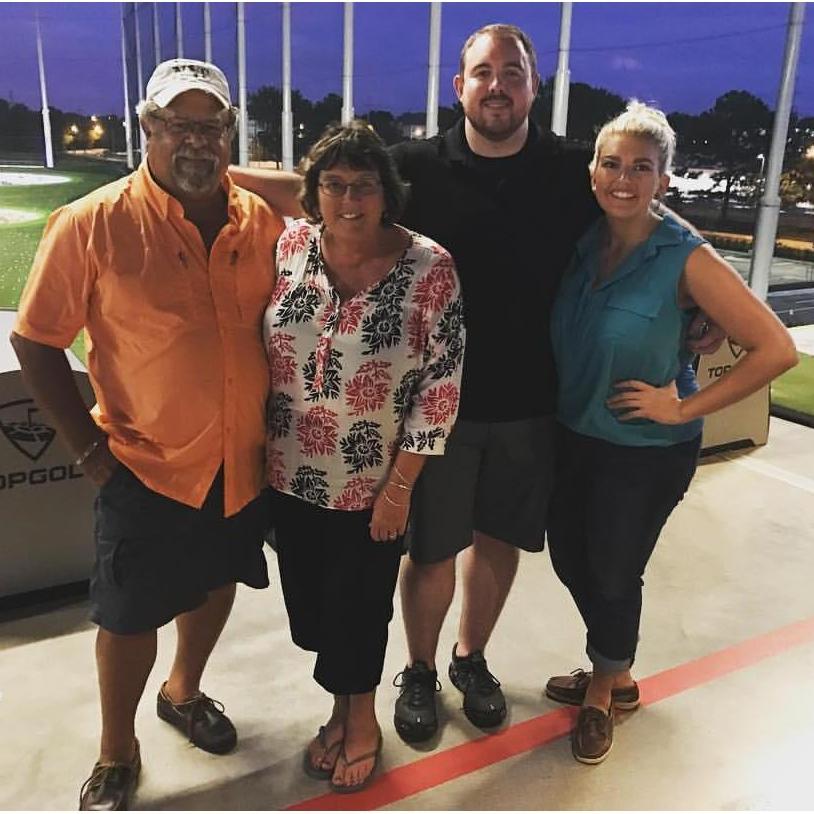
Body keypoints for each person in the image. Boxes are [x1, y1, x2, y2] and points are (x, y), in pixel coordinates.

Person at [230, 23, 723, 745]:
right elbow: (316, 189)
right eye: (483, 71)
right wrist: (221, 175)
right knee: (430, 552)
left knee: (497, 543)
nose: (498, 84)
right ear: (458, 86)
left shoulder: (567, 170)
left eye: (513, 71)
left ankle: (472, 659)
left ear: (533, 85)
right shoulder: (416, 165)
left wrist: (711, 296)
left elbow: (645, 206)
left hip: (531, 404)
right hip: (432, 414)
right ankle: (421, 671)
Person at [10, 58, 285, 810]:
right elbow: (36, 341)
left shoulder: (258, 220)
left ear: (229, 132)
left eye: (209, 126)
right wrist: (90, 454)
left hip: (242, 460)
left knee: (218, 580)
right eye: (177, 125)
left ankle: (185, 690)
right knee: (128, 615)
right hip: (141, 465)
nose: (194, 141)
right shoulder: (93, 223)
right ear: (147, 128)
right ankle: (116, 749)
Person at [545, 102, 797, 764]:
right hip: (574, 434)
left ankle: (605, 687)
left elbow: (774, 349)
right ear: (593, 172)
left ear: (664, 178)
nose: (623, 179)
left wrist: (683, 409)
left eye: (642, 168)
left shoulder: (687, 258)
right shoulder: (584, 240)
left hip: (644, 451)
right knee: (570, 557)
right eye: (611, 164)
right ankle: (614, 663)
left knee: (613, 568)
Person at [263, 121, 464, 791]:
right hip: (288, 474)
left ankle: (362, 722)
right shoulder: (290, 247)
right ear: (314, 191)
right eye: (335, 184)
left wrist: (401, 488)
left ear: (387, 193)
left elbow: (441, 385)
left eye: (365, 186)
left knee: (359, 606)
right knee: (317, 613)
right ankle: (340, 708)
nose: (349, 200)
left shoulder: (428, 266)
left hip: (374, 483)